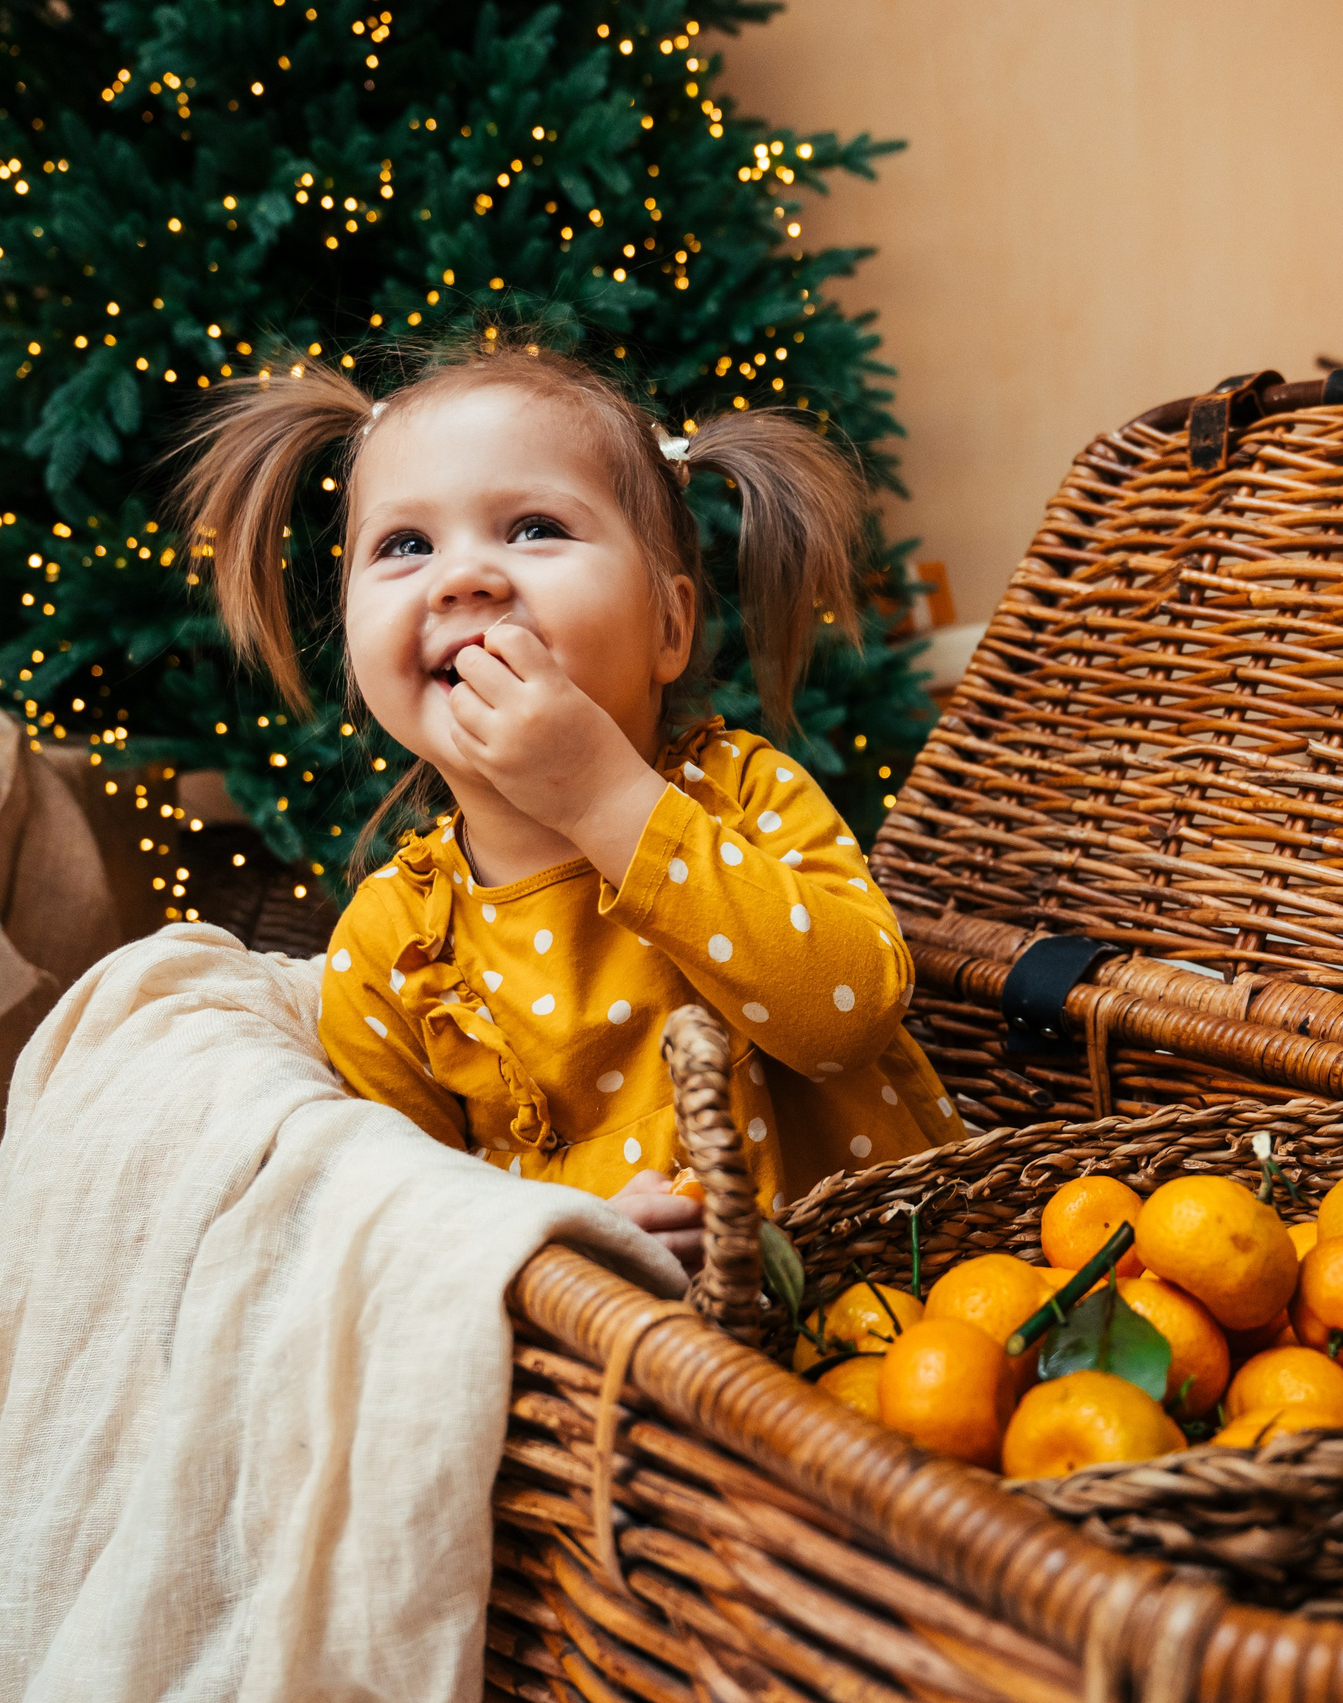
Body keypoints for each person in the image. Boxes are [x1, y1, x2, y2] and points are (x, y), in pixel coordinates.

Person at [168, 331, 959, 1269]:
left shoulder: (744, 793)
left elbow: (851, 1014)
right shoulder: (392, 951)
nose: (462, 577)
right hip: (612, 1370)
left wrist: (605, 799)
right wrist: (572, 1234)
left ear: (670, 626)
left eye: (535, 527)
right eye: (405, 543)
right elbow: (407, 1232)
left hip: (889, 1291)